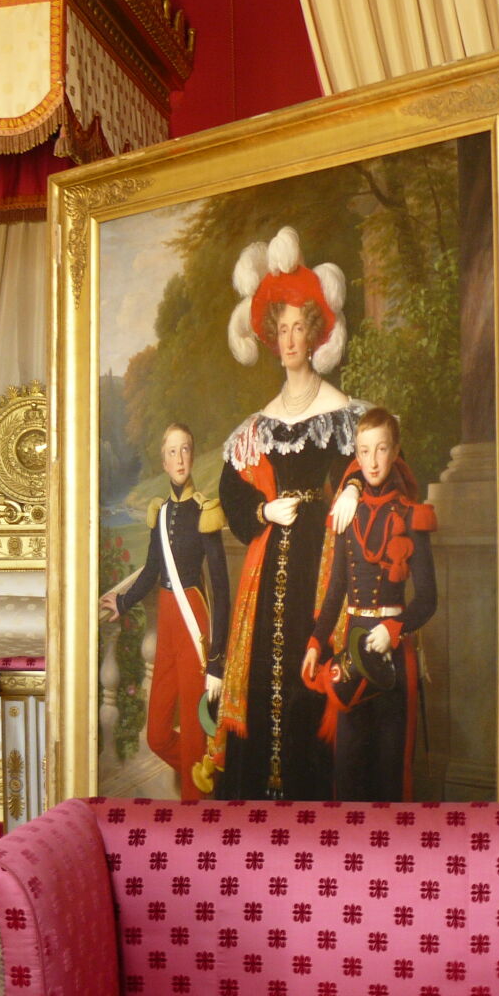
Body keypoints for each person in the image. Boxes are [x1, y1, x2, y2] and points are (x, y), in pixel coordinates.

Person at [210, 226, 369, 801]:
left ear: (318, 332)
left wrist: (351, 489)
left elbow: (373, 469)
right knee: (261, 684)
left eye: (301, 326)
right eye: (282, 329)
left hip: (323, 568)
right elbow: (230, 495)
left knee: (313, 682)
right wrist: (262, 510)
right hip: (267, 566)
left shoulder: (345, 415)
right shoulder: (257, 426)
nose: (291, 338)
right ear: (272, 339)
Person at [303, 406, 437, 802]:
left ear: (395, 451)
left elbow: (429, 600)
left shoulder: (414, 517)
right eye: (365, 451)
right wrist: (315, 642)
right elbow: (335, 590)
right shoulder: (349, 513)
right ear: (356, 456)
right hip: (352, 650)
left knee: (389, 772)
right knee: (347, 771)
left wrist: (394, 629)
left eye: (381, 449)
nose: (374, 460)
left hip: (394, 656)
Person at [100, 424, 229, 800]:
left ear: (192, 454)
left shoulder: (206, 512)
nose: (180, 459)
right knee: (157, 735)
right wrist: (122, 602)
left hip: (194, 621)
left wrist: (217, 663)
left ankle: (196, 810)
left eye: (185, 450)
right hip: (168, 621)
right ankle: (208, 775)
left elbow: (221, 591)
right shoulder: (158, 512)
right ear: (163, 460)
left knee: (192, 727)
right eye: (172, 452)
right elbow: (153, 570)